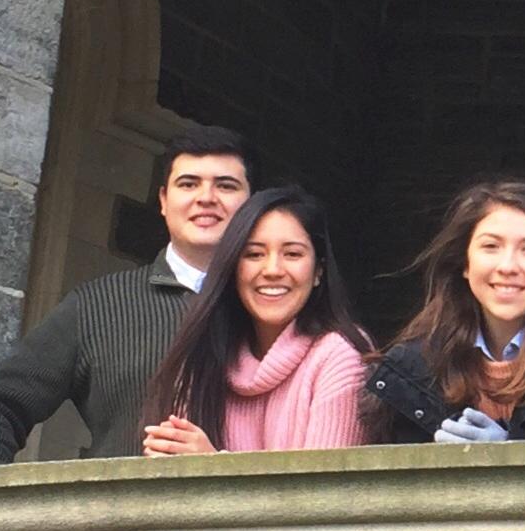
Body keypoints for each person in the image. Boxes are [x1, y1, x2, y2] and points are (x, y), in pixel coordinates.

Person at [0, 126, 256, 465]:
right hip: (121, 515)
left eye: (226, 185)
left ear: (252, 205)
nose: (206, 197)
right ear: (164, 202)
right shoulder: (100, 305)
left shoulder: (276, 313)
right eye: (189, 184)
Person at [364, 181, 525, 442]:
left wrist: (510, 455)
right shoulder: (414, 362)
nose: (508, 266)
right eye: (491, 246)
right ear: (465, 263)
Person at [139, 187, 372, 455]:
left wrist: (210, 470)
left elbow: (325, 493)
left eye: (292, 254)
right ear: (233, 269)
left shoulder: (338, 356)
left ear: (318, 270)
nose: (272, 270)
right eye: (254, 254)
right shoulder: (204, 358)